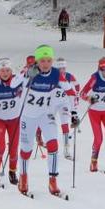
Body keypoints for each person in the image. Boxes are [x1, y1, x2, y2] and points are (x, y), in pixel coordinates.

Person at [18, 45, 72, 196]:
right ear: (37, 61)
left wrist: (74, 110)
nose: (45, 64)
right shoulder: (29, 71)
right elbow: (13, 83)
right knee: (27, 149)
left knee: (53, 144)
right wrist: (27, 75)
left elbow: (70, 90)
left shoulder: (56, 73)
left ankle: (53, 180)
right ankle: (23, 176)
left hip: (46, 114)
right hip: (28, 116)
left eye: (48, 60)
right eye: (42, 61)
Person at [0, 59, 24, 187]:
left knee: (14, 148)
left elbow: (28, 85)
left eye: (8, 70)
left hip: (14, 120)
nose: (5, 73)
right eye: (2, 71)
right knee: (1, 147)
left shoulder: (17, 81)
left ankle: (12, 172)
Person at [54, 58, 80, 159]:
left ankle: (66, 150)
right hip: (53, 104)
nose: (62, 71)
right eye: (59, 68)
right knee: (49, 123)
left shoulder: (69, 76)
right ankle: (47, 143)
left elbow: (77, 85)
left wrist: (76, 95)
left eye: (63, 68)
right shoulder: (53, 77)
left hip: (64, 104)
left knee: (65, 125)